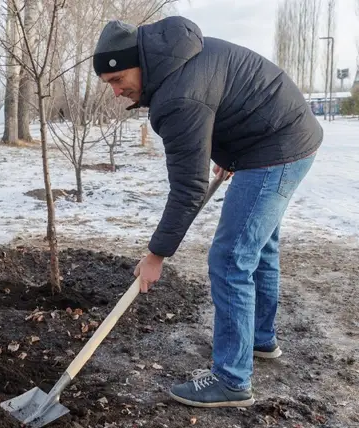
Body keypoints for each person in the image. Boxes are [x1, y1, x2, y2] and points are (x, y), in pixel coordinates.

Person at [93, 16, 322, 407]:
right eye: (109, 84)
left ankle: (232, 381)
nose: (116, 91)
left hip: (276, 147)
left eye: (117, 79)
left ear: (138, 62)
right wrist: (231, 151)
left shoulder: (176, 96)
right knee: (258, 248)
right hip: (277, 136)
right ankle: (259, 340)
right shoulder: (177, 59)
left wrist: (156, 255)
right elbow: (224, 98)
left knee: (231, 258)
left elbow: (187, 189)